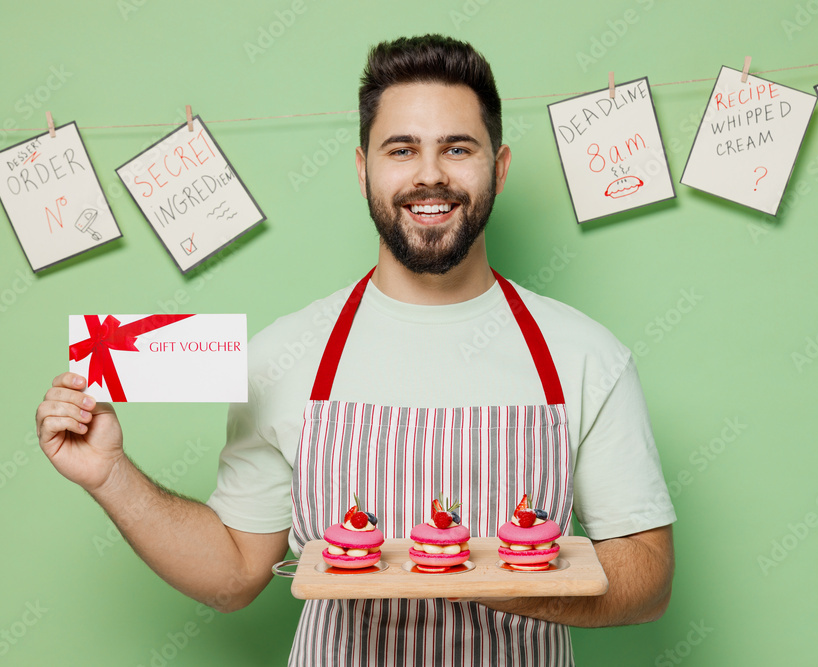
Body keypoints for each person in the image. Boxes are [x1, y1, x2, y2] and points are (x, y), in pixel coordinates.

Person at [36, 34, 676, 666]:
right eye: (402, 149)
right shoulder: (283, 355)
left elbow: (648, 579)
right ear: (363, 167)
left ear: (499, 168)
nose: (430, 174)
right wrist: (110, 475)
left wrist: (471, 573)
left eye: (457, 148)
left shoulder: (586, 354)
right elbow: (233, 574)